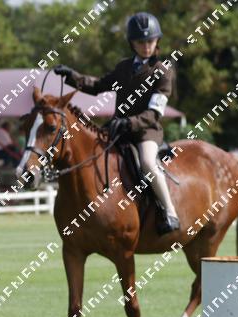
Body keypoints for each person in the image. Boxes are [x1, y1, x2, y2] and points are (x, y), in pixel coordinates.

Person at [54, 12, 179, 233]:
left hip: (146, 132)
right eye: (141, 42)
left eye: (150, 41)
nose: (146, 46)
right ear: (132, 43)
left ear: (157, 41)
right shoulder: (123, 68)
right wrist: (72, 76)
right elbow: (98, 85)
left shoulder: (162, 71)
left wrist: (129, 122)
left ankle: (170, 212)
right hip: (118, 129)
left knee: (148, 163)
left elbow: (154, 113)